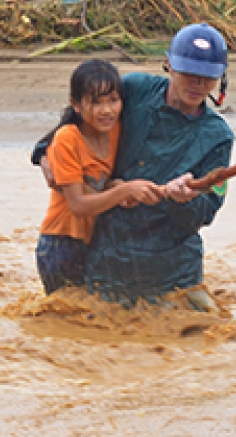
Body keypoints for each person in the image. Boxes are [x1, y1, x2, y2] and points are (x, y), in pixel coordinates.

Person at [34, 23, 233, 310]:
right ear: (169, 66)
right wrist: (44, 151)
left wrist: (185, 200)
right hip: (109, 259)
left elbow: (206, 211)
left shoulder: (218, 137)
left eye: (207, 78)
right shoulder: (136, 90)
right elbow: (86, 118)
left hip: (173, 270)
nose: (197, 85)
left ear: (220, 79)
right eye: (189, 74)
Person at [36, 59, 163, 295]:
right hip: (60, 243)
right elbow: (78, 205)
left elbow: (99, 185)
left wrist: (115, 186)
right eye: (95, 103)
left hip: (94, 241)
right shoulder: (67, 139)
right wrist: (123, 191)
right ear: (76, 105)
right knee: (65, 317)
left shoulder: (114, 130)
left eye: (113, 101)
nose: (106, 110)